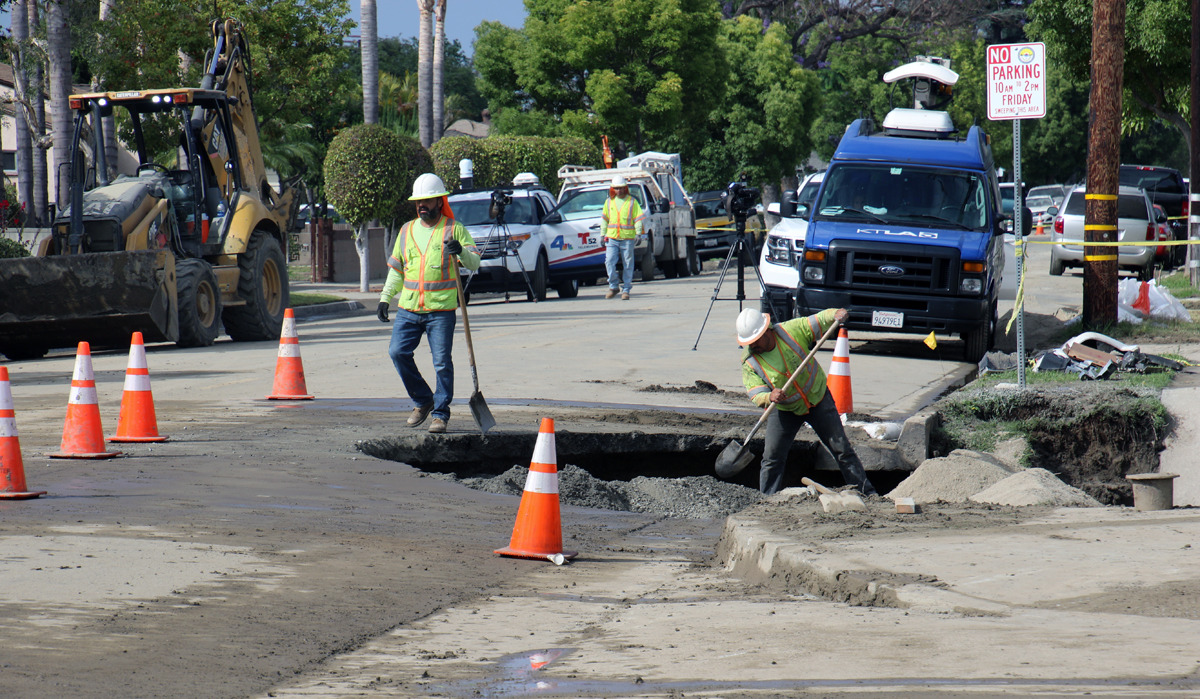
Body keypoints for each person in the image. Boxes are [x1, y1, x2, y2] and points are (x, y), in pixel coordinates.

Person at [736, 307, 878, 496]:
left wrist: (835, 314)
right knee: (772, 458)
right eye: (749, 342)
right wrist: (768, 397)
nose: (753, 346)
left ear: (766, 330)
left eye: (755, 340)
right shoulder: (750, 360)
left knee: (842, 449)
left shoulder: (789, 331)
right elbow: (755, 391)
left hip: (818, 398)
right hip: (785, 409)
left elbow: (819, 320)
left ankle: (867, 494)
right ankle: (766, 501)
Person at [377, 173, 480, 434]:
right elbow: (397, 270)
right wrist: (385, 298)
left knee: (442, 363)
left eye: (427, 201)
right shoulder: (406, 230)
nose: (422, 205)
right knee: (397, 352)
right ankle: (423, 400)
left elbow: (474, 263)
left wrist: (461, 251)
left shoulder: (453, 229)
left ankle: (440, 414)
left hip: (440, 311)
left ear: (439, 201)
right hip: (409, 309)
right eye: (418, 202)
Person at [601, 175, 644, 300]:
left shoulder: (632, 202)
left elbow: (638, 219)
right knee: (609, 261)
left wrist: (638, 234)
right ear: (612, 189)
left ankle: (626, 290)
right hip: (612, 238)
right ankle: (614, 286)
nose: (618, 190)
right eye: (616, 188)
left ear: (625, 188)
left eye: (620, 188)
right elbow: (605, 220)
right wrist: (602, 235)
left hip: (627, 238)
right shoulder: (609, 202)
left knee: (628, 264)